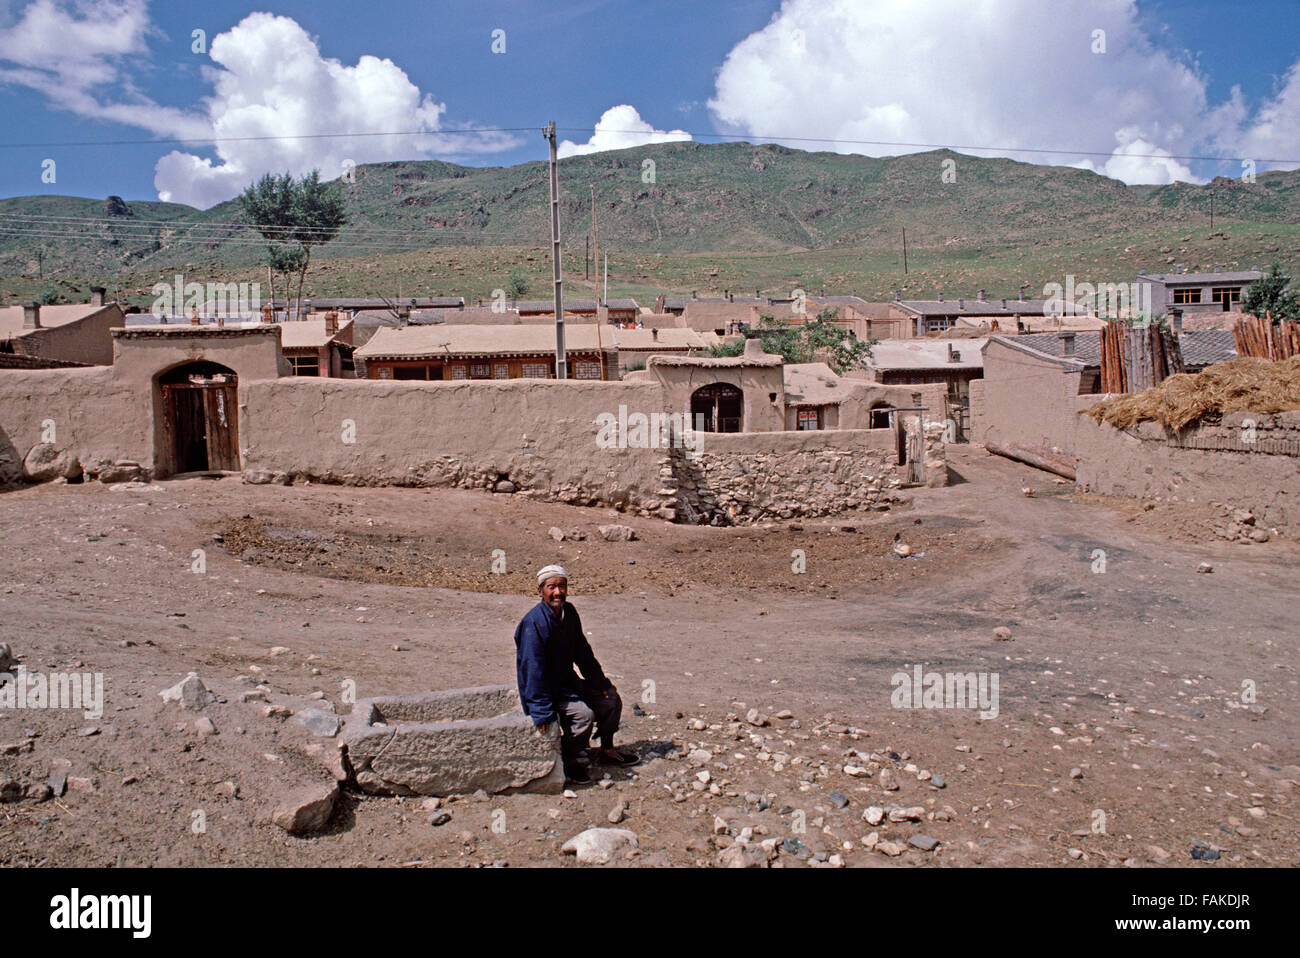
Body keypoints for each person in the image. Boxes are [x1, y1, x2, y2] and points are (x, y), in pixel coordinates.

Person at [514, 564, 637, 783]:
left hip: (569, 683)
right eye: (551, 587)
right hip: (548, 691)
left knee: (610, 699)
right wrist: (540, 710)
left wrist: (600, 683)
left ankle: (607, 750)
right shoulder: (534, 623)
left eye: (561, 586)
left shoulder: (569, 612)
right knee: (583, 715)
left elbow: (583, 653)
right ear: (540, 591)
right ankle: (572, 761)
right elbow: (532, 670)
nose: (557, 592)